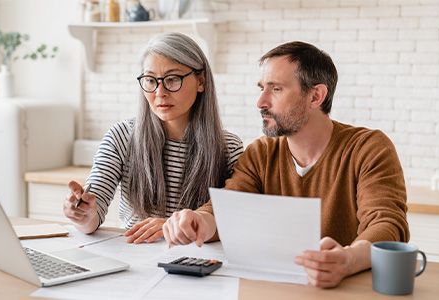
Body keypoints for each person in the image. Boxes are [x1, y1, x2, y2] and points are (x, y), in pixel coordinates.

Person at [162, 41, 409, 288]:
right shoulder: (261, 153)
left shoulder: (368, 148)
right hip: (277, 288)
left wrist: (348, 259)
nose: (261, 102)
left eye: (276, 89)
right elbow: (228, 207)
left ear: (316, 96)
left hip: (347, 290)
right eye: (261, 89)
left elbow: (387, 225)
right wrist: (199, 221)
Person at [63, 32, 244, 244]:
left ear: (201, 81)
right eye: (150, 80)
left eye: (173, 79)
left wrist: (170, 227)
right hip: (136, 257)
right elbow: (93, 216)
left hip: (197, 261)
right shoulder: (121, 136)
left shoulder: (229, 147)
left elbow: (234, 220)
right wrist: (82, 213)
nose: (160, 92)